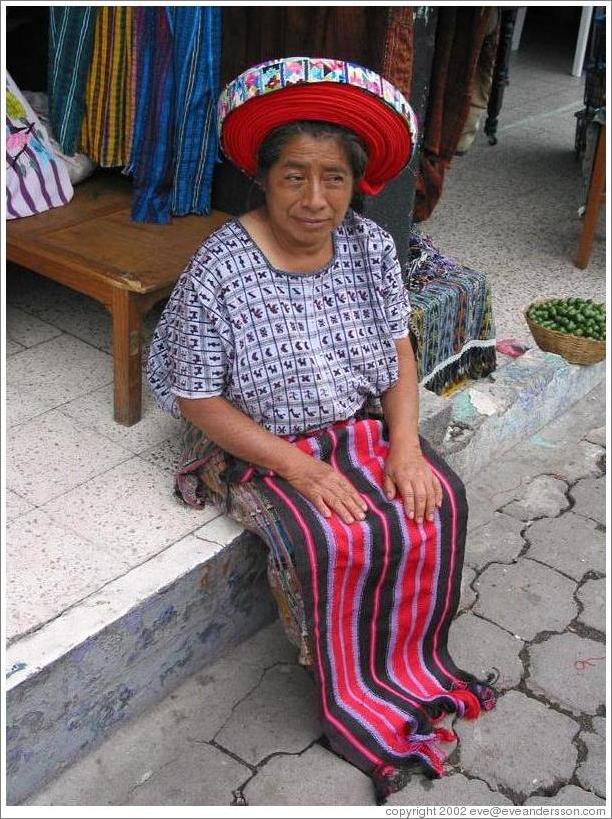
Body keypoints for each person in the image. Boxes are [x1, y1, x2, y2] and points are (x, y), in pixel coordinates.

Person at [147, 56, 496, 802]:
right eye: (294, 176)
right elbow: (199, 397)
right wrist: (301, 470)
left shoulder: (370, 247)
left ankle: (412, 667)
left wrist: (404, 444)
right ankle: (354, 692)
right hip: (254, 443)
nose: (314, 198)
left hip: (352, 425)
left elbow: (398, 348)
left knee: (435, 499)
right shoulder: (221, 268)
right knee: (336, 535)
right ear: (263, 180)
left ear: (355, 184)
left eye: (333, 177)